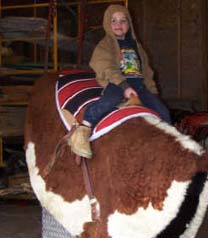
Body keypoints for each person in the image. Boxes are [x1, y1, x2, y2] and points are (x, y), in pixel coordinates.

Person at [68, 4, 171, 159]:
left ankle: (168, 142)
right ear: (107, 24)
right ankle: (83, 129)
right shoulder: (105, 45)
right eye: (114, 21)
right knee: (109, 101)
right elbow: (105, 66)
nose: (118, 25)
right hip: (117, 84)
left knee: (162, 111)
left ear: (129, 24)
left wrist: (153, 91)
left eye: (123, 21)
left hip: (139, 86)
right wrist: (124, 86)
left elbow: (147, 70)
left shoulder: (136, 46)